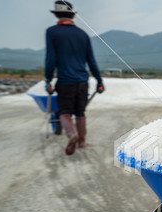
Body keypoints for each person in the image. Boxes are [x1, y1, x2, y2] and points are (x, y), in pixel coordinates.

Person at [45, 1, 104, 155]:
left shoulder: (52, 32)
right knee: (80, 112)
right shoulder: (83, 34)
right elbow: (91, 60)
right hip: (83, 81)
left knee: (64, 111)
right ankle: (82, 141)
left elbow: (51, 58)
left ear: (57, 14)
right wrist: (99, 81)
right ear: (72, 15)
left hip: (65, 81)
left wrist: (48, 80)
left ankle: (72, 135)